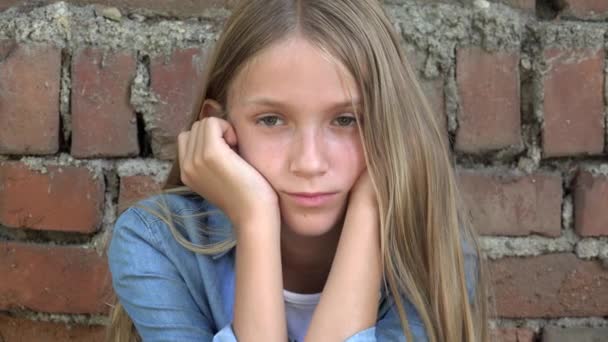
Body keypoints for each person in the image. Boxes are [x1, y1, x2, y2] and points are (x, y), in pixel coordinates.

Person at [106, 0, 488, 341]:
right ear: (219, 128)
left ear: (391, 125)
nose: (309, 163)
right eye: (271, 120)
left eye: (346, 119)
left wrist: (371, 209)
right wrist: (256, 220)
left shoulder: (431, 252)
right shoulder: (156, 244)